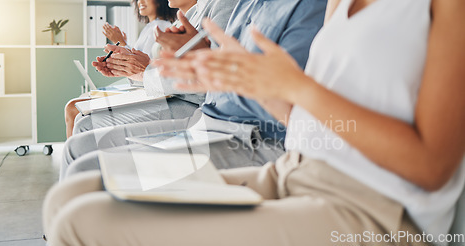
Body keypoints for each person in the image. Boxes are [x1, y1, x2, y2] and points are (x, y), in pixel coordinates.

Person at [44, 0, 465, 245]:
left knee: (79, 221)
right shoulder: (338, 4)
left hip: (372, 209)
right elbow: (303, 118)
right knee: (74, 192)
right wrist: (233, 76)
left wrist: (296, 87)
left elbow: (431, 166)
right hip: (292, 170)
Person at [59, 0, 327, 181]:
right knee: (80, 146)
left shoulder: (304, 8)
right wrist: (189, 61)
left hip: (241, 130)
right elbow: (218, 74)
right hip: (211, 116)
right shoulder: (244, 5)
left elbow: (281, 98)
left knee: (84, 157)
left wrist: (185, 65)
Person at [64, 0, 178, 138]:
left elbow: (143, 66)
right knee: (77, 104)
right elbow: (140, 63)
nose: (140, 2)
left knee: (72, 108)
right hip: (143, 87)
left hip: (147, 91)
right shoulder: (150, 27)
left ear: (159, 2)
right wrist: (122, 48)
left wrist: (122, 43)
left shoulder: (160, 26)